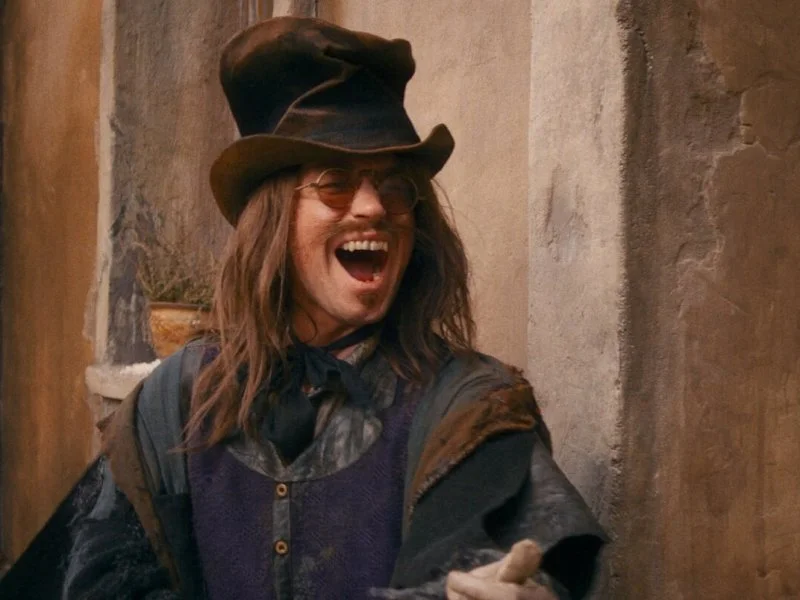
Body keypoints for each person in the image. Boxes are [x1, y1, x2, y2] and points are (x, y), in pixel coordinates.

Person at [3, 16, 606, 600]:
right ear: (273, 220)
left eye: (394, 186)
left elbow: (482, 575)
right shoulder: (176, 401)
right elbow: (93, 575)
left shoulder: (469, 410)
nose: (374, 207)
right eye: (335, 182)